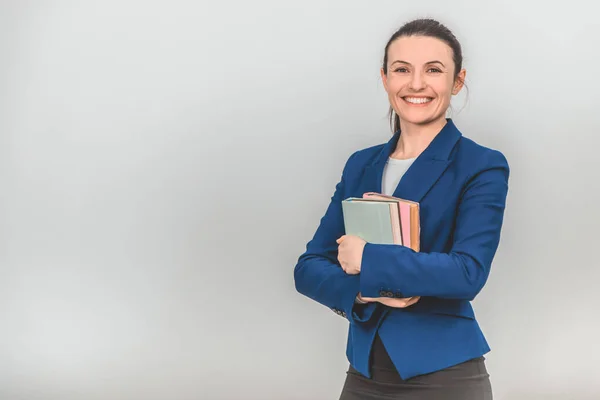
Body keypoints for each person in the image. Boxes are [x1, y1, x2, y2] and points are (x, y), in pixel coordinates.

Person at [293, 18, 509, 400]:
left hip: (444, 374)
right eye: (402, 70)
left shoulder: (481, 164)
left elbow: (467, 272)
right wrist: (364, 294)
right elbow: (309, 268)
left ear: (457, 81)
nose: (416, 84)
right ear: (385, 78)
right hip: (365, 372)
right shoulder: (361, 165)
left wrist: (368, 259)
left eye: (434, 70)